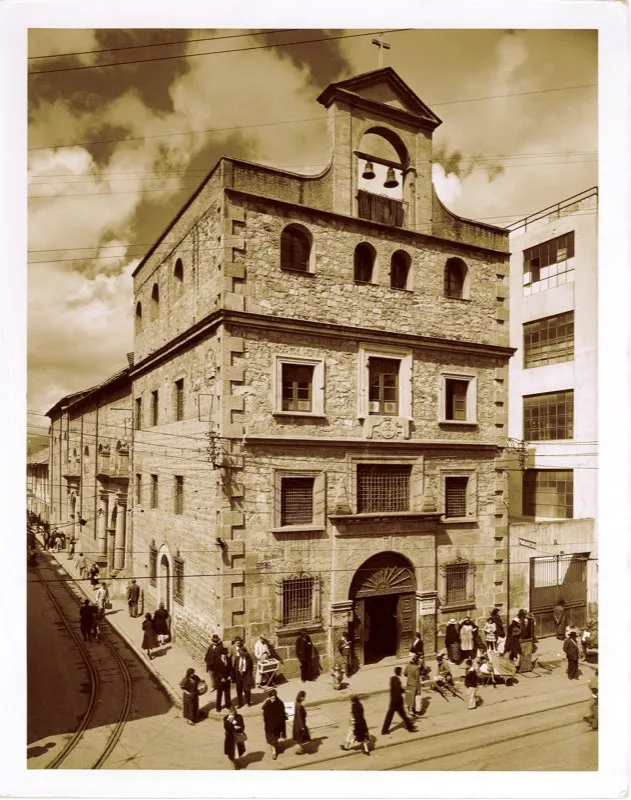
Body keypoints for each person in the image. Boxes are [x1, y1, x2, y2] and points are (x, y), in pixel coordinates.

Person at [381, 666, 416, 735]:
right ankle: (411, 728)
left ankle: (384, 730)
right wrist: (400, 701)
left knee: (389, 716)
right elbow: (398, 691)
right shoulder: (397, 681)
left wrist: (405, 691)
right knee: (404, 716)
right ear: (399, 672)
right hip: (397, 703)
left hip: (392, 702)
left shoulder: (393, 679)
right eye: (401, 671)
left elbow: (398, 690)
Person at [262, 688, 287, 760]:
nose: (272, 699)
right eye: (271, 698)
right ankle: (274, 753)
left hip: (277, 725)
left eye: (274, 698)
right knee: (271, 738)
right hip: (269, 725)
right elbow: (264, 709)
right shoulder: (268, 703)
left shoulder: (279, 703)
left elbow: (282, 713)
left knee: (275, 737)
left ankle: (275, 745)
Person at [223, 704, 246, 769]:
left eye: (232, 710)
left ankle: (235, 760)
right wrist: (231, 722)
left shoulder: (239, 717)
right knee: (230, 752)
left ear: (235, 710)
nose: (231, 712)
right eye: (230, 711)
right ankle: (234, 762)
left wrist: (238, 728)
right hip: (230, 738)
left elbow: (242, 727)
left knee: (239, 751)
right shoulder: (225, 718)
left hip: (238, 736)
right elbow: (226, 728)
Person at [214, 648, 233, 712]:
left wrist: (230, 676)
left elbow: (231, 669)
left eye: (225, 654)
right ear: (221, 654)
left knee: (227, 693)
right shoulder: (217, 661)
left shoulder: (228, 659)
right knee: (219, 694)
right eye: (223, 654)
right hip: (220, 681)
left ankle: (228, 705)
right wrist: (221, 678)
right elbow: (216, 671)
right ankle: (218, 707)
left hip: (227, 680)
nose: (225, 656)